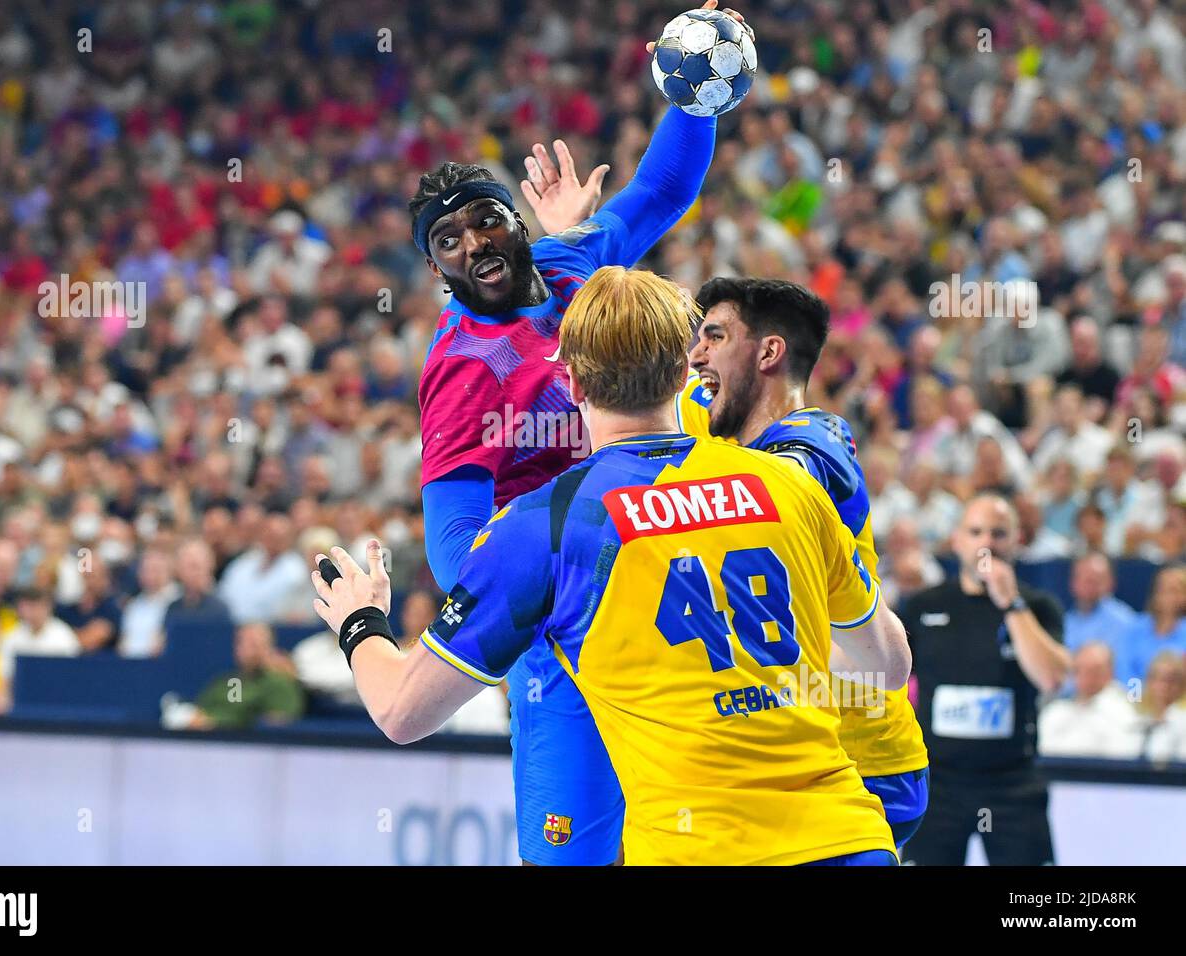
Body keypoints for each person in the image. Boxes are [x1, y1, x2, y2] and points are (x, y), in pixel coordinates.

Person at [312, 266, 910, 865]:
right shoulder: (788, 483)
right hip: (848, 841)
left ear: (569, 382)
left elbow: (399, 711)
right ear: (684, 373)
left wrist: (360, 621)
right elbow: (885, 665)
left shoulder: (543, 524)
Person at [414, 0, 752, 866]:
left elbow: (665, 190)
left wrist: (691, 94)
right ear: (436, 269)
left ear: (516, 223)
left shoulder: (576, 263)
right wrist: (541, 590)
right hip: (570, 630)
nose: (473, 243)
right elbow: (454, 543)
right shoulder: (459, 366)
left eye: (484, 219)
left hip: (679, 583)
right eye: (446, 241)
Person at [681, 276, 929, 849]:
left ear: (768, 353)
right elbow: (631, 379)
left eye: (714, 337)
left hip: (863, 762)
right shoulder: (710, 412)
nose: (697, 354)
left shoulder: (817, 442)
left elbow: (787, 481)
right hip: (766, 755)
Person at [899, 496, 1071, 865]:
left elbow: (1053, 678)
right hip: (937, 784)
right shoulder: (922, 606)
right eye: (976, 532)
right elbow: (882, 675)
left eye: (999, 533)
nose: (987, 543)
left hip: (1011, 784)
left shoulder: (1038, 606)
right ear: (957, 540)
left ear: (1017, 541)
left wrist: (1011, 605)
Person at [187, 621, 306, 731]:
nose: (245, 649)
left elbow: (278, 725)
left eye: (253, 643)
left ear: (268, 648)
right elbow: (200, 710)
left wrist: (214, 723)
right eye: (240, 642)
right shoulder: (228, 681)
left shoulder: (279, 683)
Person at [1037, 642, 1141, 758]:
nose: (1086, 677)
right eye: (1079, 669)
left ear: (1110, 672)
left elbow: (1123, 757)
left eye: (1095, 670)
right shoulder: (1054, 711)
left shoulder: (1123, 712)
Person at [1108, 566, 1186, 688]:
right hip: (1135, 699)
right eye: (1162, 589)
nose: (1167, 596)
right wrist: (1139, 701)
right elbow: (1125, 670)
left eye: (1174, 590)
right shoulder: (1134, 628)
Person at [1063, 553, 1137, 653]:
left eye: (1096, 579)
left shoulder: (1126, 622)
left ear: (1111, 583)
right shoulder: (1064, 621)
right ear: (1072, 582)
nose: (1089, 585)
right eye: (1084, 578)